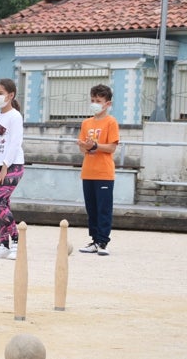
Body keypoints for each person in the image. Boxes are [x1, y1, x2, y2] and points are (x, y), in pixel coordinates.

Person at [77, 84, 119, 256]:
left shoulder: (111, 122)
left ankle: (103, 241)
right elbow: (82, 148)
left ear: (107, 104)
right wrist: (85, 147)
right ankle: (94, 240)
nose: (94, 103)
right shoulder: (86, 123)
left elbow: (111, 147)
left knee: (103, 208)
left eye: (98, 101)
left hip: (104, 173)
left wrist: (95, 145)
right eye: (92, 100)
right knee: (91, 208)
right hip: (88, 171)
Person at [0, 78, 25, 260]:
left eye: (0, 93)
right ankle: (4, 244)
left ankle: (17, 241)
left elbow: (15, 143)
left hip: (13, 165)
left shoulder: (15, 116)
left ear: (11, 95)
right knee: (2, 205)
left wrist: (4, 167)